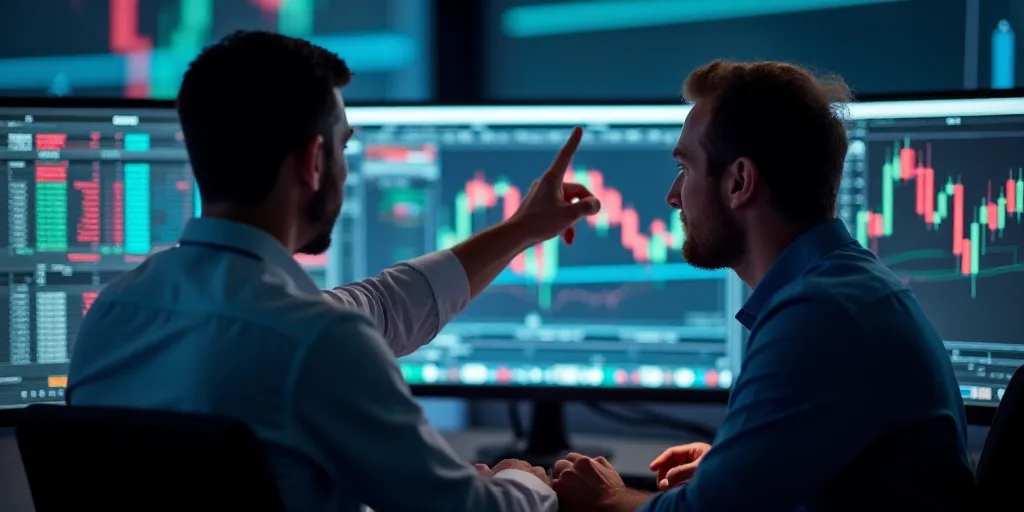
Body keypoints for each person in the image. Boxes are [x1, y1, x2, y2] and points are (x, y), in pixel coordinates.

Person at [66, 31, 601, 512]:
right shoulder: (318, 342)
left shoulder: (112, 314)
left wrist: (520, 231)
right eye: (344, 146)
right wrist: (524, 482)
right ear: (312, 161)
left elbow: (380, 305)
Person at [549, 60, 975, 511]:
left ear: (739, 182)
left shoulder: (819, 315)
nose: (673, 195)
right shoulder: (843, 288)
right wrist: (739, 466)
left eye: (686, 168)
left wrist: (608, 498)